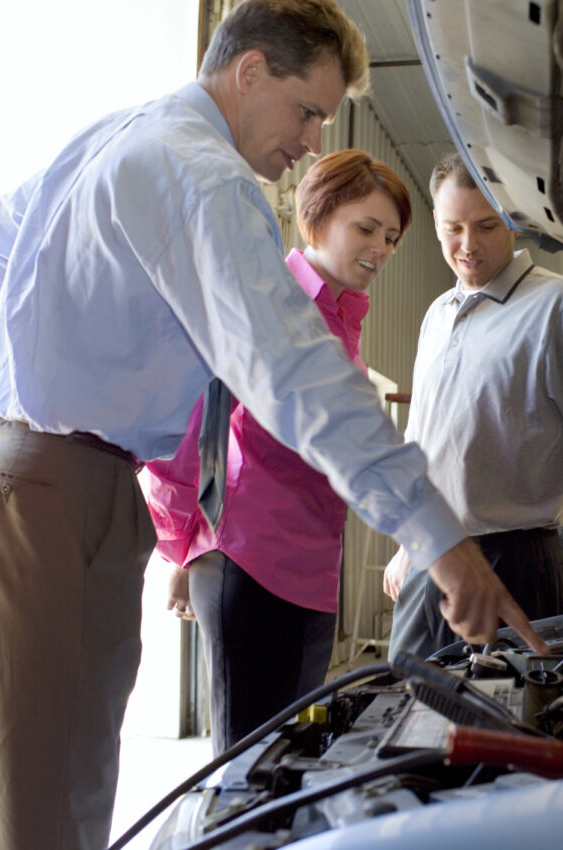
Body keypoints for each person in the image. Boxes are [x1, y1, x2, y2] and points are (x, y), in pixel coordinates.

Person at [0, 3, 545, 848]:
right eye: (306, 112)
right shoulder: (204, 174)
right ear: (250, 71)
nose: (308, 141)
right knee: (47, 807)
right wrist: (442, 540)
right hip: (60, 482)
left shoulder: (122, 135)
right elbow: (296, 374)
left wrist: (6, 389)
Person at [146, 148, 412, 755]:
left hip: (312, 570)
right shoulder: (268, 300)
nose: (380, 248)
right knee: (245, 765)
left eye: (392, 237)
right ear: (315, 219)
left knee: (287, 760)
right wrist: (182, 549)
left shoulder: (342, 317)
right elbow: (188, 425)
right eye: (365, 228)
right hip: (250, 559)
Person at [384, 152, 563, 660]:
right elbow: (426, 444)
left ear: (514, 221)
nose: (468, 245)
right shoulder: (436, 316)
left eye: (486, 225)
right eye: (452, 227)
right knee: (404, 719)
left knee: (503, 724)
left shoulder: (561, 306)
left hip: (513, 561)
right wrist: (408, 544)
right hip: (428, 556)